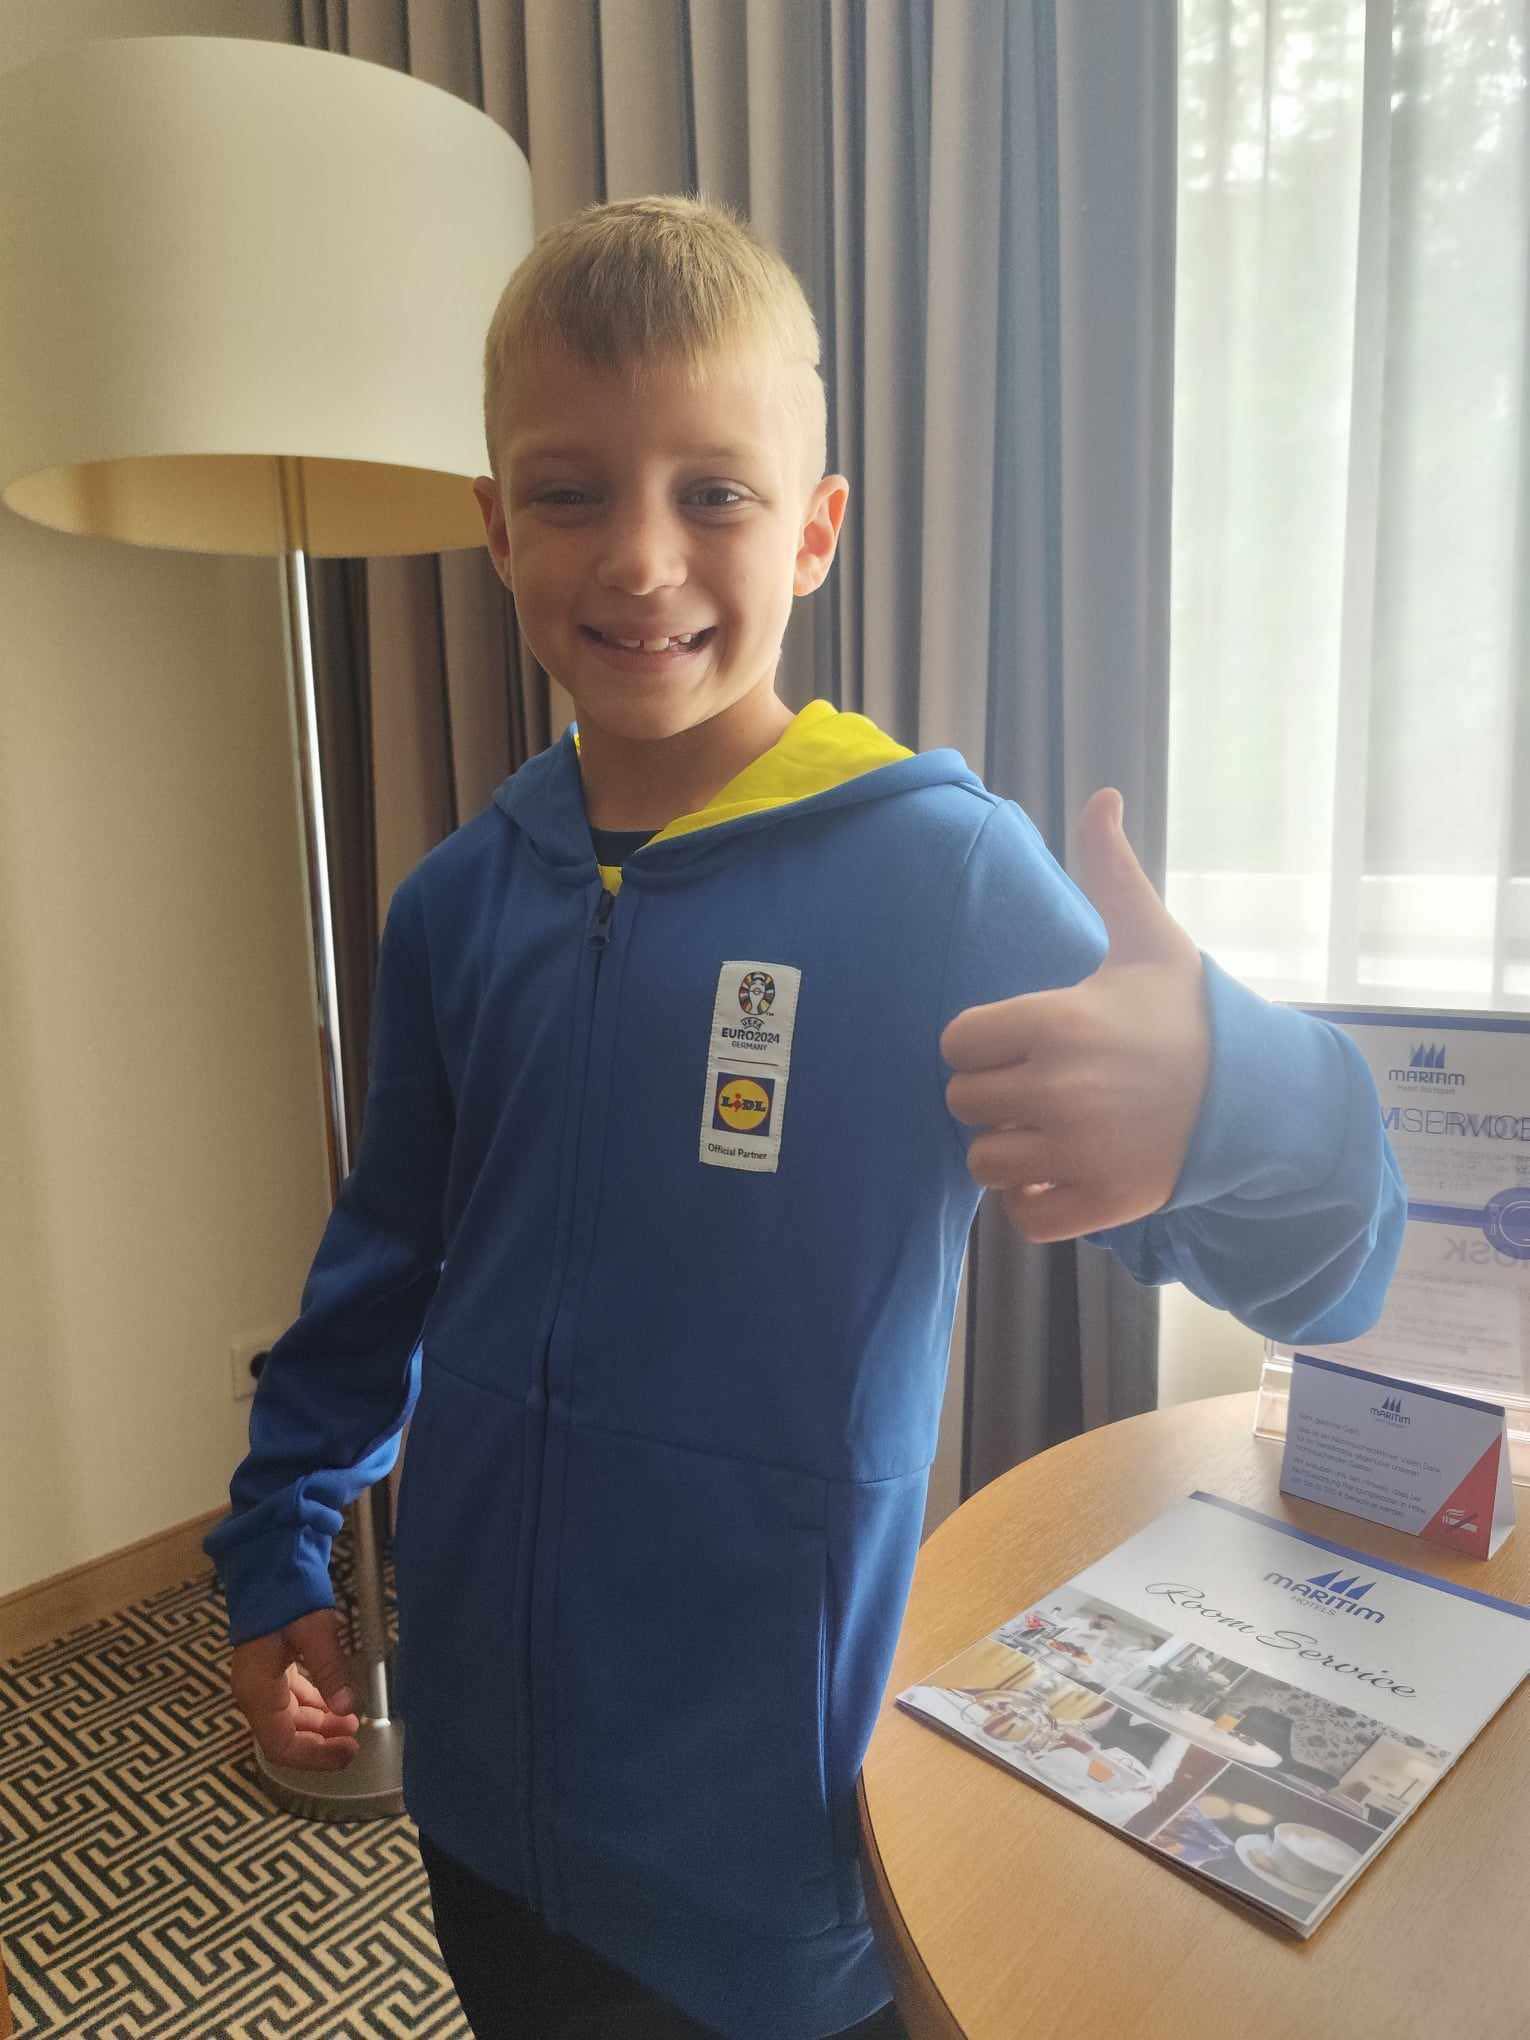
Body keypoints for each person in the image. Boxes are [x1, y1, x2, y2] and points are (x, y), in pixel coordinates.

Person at [202, 194, 1407, 2039]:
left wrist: (1236, 1093)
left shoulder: (939, 877)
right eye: (571, 491)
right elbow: (385, 1258)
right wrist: (282, 1528)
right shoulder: (458, 900)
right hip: (476, 1782)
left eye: (714, 492)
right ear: (496, 526)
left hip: (758, 1831)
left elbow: (1332, 1275)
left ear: (815, 530)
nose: (642, 560)